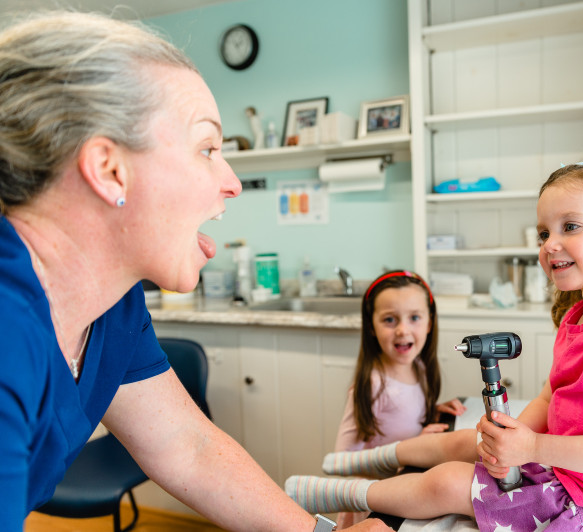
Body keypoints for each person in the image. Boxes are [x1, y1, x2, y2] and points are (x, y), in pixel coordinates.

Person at [0, 11, 387, 532]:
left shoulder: (112, 304)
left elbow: (187, 444)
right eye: (207, 148)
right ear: (110, 170)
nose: (232, 183)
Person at [285, 158, 583, 532]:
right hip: (575, 471)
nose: (549, 244)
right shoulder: (580, 317)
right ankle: (365, 460)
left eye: (569, 226)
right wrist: (513, 435)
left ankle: (350, 495)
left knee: (448, 483)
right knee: (464, 442)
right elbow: (551, 394)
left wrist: (533, 447)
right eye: (544, 232)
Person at [332, 270, 466, 527]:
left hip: (409, 492)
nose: (403, 330)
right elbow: (342, 462)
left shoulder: (419, 367)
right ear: (371, 326)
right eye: (390, 320)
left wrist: (433, 410)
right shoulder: (373, 386)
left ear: (429, 322)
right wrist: (414, 448)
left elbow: (404, 416)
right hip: (377, 507)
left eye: (414, 317)